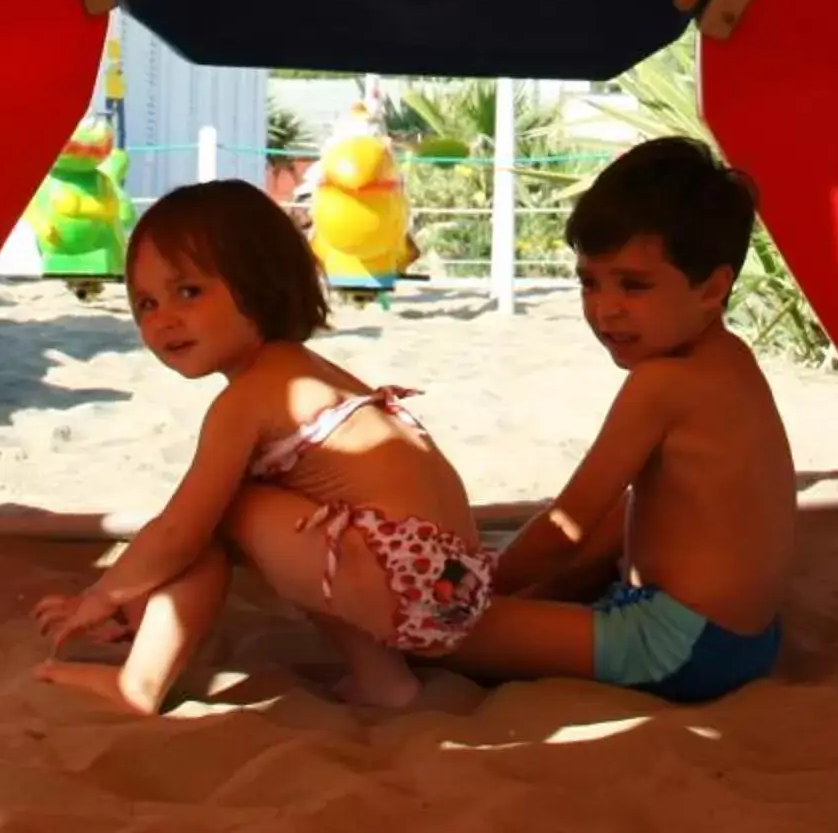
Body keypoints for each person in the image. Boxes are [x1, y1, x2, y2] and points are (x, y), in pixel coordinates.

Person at [28, 178, 493, 712]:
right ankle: (384, 681)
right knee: (299, 512)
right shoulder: (307, 370)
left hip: (405, 577)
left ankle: (139, 686)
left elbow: (180, 532)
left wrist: (102, 595)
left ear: (261, 281)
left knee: (221, 511)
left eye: (188, 292)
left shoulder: (249, 399)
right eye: (145, 303)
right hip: (458, 581)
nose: (163, 319)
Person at [443, 137, 796, 703]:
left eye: (634, 284)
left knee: (433, 629)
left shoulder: (660, 384)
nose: (605, 309)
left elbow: (566, 528)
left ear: (712, 288)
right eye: (590, 281)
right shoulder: (730, 360)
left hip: (680, 645)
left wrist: (471, 588)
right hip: (751, 637)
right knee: (627, 514)